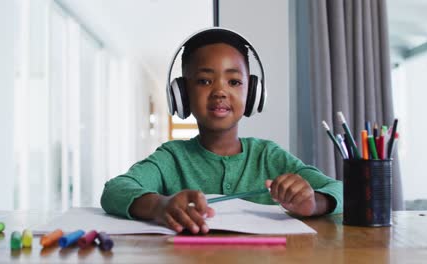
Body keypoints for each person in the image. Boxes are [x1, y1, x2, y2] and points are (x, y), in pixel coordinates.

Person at [101, 28, 343, 234]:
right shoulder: (171, 158)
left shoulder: (269, 156)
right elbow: (115, 190)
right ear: (182, 95)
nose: (219, 92)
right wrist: (160, 206)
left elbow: (340, 190)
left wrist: (313, 203)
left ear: (253, 94)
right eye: (205, 81)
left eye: (234, 82)